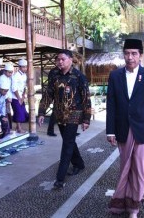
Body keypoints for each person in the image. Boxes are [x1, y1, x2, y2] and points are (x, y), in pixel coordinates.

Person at [106, 39, 144, 217]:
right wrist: (110, 130)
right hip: (122, 128)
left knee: (139, 167)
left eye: (134, 53)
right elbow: (112, 105)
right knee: (125, 167)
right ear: (123, 54)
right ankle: (121, 200)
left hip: (142, 130)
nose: (130, 57)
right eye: (127, 53)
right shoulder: (115, 75)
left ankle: (134, 206)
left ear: (140, 55)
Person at [38, 49, 91, 190]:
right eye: (58, 59)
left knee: (67, 144)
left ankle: (60, 178)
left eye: (63, 59)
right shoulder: (53, 74)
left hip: (74, 114)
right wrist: (42, 112)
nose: (60, 62)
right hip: (60, 114)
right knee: (69, 141)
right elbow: (48, 94)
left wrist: (86, 119)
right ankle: (79, 164)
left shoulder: (79, 76)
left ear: (70, 60)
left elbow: (86, 99)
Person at [11, 59, 29, 133]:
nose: (25, 68)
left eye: (26, 67)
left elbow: (25, 86)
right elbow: (14, 88)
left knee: (23, 112)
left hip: (21, 97)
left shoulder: (24, 75)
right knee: (18, 112)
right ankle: (19, 128)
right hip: (15, 97)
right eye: (23, 67)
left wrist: (23, 95)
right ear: (19, 67)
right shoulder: (15, 76)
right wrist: (19, 98)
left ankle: (18, 127)